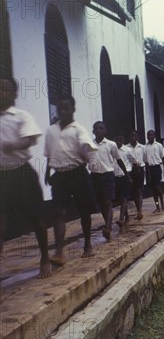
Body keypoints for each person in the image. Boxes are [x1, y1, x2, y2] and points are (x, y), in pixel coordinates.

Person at [0, 78, 51, 278]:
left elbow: (31, 138)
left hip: (22, 174)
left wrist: (14, 144)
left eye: (5, 89)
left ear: (14, 94)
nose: (1, 93)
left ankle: (45, 257)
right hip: (2, 177)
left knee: (36, 218)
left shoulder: (21, 116)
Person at [44, 95, 97, 262]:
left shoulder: (79, 129)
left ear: (73, 109)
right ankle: (59, 251)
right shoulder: (51, 131)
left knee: (84, 212)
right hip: (60, 176)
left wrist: (86, 149)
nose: (63, 111)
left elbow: (86, 145)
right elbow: (49, 153)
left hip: (78, 173)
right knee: (58, 212)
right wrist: (47, 172)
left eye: (66, 108)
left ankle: (87, 244)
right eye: (60, 109)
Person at [88, 121, 128, 241]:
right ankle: (107, 225)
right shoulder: (89, 145)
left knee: (108, 201)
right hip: (95, 177)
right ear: (93, 131)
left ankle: (108, 227)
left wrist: (126, 174)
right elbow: (85, 160)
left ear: (105, 131)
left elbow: (119, 160)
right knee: (101, 203)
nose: (99, 130)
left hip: (108, 176)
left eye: (101, 128)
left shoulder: (111, 145)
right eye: (96, 129)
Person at [114, 134, 134, 229]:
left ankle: (121, 219)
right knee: (120, 199)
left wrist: (129, 175)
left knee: (124, 197)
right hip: (115, 176)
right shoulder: (112, 150)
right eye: (116, 140)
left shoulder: (127, 150)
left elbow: (132, 160)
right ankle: (127, 216)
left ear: (123, 141)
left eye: (120, 140)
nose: (118, 142)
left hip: (125, 175)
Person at [144, 130, 164, 213]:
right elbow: (146, 161)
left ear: (154, 136)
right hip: (149, 169)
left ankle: (162, 202)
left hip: (157, 168)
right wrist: (147, 173)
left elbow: (163, 157)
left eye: (151, 135)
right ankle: (157, 205)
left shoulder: (159, 145)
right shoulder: (145, 147)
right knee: (153, 190)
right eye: (148, 135)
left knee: (158, 186)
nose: (150, 137)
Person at [127, 131, 146, 220]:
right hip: (131, 170)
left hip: (140, 169)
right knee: (134, 191)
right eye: (131, 136)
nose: (133, 137)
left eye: (135, 135)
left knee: (139, 190)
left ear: (137, 137)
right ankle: (138, 209)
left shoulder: (142, 147)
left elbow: (145, 160)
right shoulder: (126, 148)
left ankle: (140, 211)